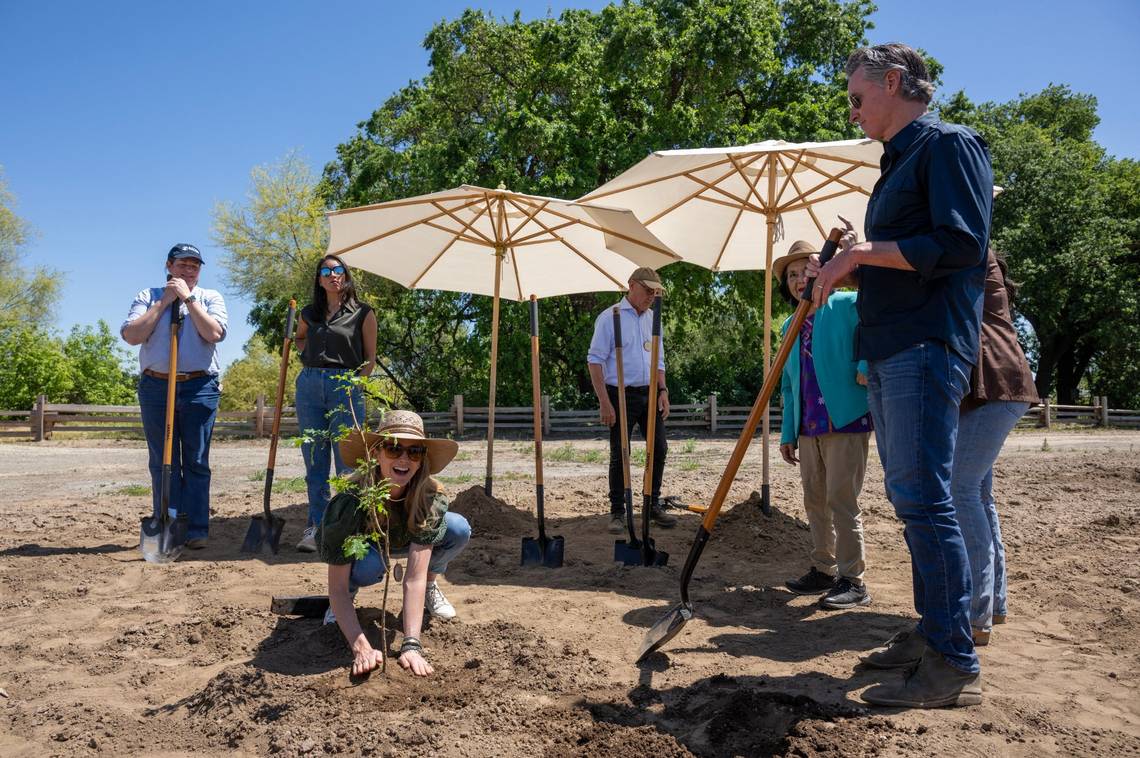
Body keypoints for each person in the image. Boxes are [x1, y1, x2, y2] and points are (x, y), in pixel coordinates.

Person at [809, 43, 994, 708]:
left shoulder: (948, 145)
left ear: (894, 82)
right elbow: (900, 254)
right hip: (889, 348)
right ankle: (929, 634)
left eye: (859, 97)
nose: (853, 110)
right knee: (913, 501)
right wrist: (847, 264)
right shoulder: (898, 163)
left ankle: (953, 663)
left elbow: (962, 244)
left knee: (926, 500)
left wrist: (859, 253)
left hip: (924, 344)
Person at [319, 410, 470, 678]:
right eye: (393, 448)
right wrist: (360, 646)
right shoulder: (350, 503)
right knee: (370, 563)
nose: (404, 459)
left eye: (414, 451)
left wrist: (412, 645)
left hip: (404, 541)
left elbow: (413, 578)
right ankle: (346, 606)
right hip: (367, 553)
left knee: (457, 527)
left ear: (422, 458)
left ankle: (432, 587)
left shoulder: (428, 497)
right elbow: (337, 587)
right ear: (376, 453)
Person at [776, 240, 874, 610]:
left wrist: (865, 366)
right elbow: (787, 383)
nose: (800, 280)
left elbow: (875, 327)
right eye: (792, 275)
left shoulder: (848, 304)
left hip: (844, 417)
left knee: (841, 499)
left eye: (806, 270)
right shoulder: (789, 324)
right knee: (814, 500)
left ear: (824, 270)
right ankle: (823, 568)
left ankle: (854, 579)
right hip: (808, 424)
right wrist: (788, 431)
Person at [952, 249, 1038, 646]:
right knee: (979, 495)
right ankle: (994, 605)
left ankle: (976, 614)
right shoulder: (983, 262)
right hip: (1001, 386)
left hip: (995, 388)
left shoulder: (970, 254)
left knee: (960, 489)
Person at [121, 243, 227, 550]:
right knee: (162, 459)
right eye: (182, 265)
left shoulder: (210, 298)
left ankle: (195, 528)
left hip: (199, 387)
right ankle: (166, 520)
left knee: (196, 459)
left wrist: (189, 300)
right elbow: (131, 336)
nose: (188, 271)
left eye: (194, 266)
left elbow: (214, 334)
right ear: (169, 266)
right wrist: (164, 302)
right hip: (156, 386)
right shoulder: (148, 296)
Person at [294, 254, 378, 552]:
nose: (333, 275)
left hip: (346, 386)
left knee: (347, 460)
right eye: (327, 271)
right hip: (309, 386)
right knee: (314, 458)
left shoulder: (363, 313)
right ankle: (316, 527)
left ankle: (347, 526)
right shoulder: (308, 313)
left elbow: (370, 357)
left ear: (346, 276)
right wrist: (305, 355)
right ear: (319, 279)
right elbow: (299, 338)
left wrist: (357, 383)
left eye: (338, 270)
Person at [587, 267, 676, 534]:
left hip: (649, 392)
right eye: (647, 290)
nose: (651, 296)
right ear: (631, 285)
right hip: (619, 393)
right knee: (620, 453)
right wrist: (604, 401)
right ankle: (617, 511)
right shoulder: (609, 317)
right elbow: (595, 361)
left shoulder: (653, 319)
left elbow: (658, 361)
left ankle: (651, 504)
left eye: (655, 292)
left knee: (659, 448)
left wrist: (663, 391)